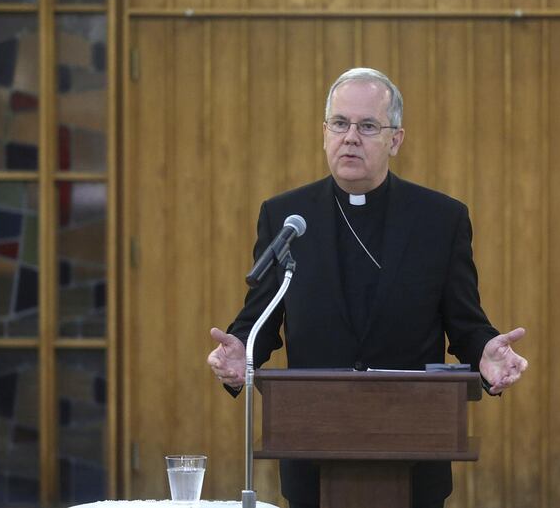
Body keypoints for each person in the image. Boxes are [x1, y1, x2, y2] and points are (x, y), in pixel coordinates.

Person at [207, 67, 528, 508]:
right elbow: (260, 317)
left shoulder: (440, 220)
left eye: (367, 126)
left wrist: (486, 351)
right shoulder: (287, 217)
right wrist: (238, 353)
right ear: (324, 133)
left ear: (394, 139)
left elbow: (465, 322)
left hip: (413, 453)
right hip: (312, 453)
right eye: (340, 124)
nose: (350, 137)